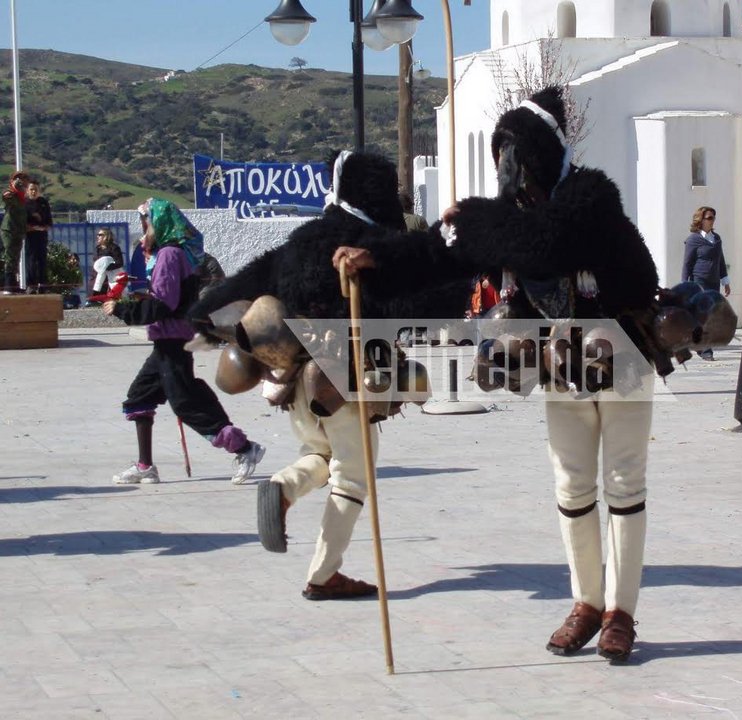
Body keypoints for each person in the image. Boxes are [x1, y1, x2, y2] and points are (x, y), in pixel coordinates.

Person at [335, 87, 665, 663]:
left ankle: (621, 612)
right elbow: (439, 256)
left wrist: (477, 219)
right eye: (503, 157)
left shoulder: (591, 194)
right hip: (563, 363)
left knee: (624, 481)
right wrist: (377, 261)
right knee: (571, 484)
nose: (511, 171)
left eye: (515, 156)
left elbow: (545, 245)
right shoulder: (504, 220)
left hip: (623, 355)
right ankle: (586, 604)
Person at [189, 151, 471, 601]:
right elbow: (415, 301)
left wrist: (201, 317)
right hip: (346, 378)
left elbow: (247, 281)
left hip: (293, 379)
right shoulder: (369, 249)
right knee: (354, 476)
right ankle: (323, 575)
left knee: (320, 452)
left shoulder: (304, 239)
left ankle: (283, 487)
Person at [103, 198, 265, 484]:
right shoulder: (174, 253)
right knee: (139, 397)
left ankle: (244, 448)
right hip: (166, 342)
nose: (144, 228)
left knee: (187, 403)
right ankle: (145, 466)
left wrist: (122, 310)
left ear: (160, 223)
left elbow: (163, 304)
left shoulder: (169, 255)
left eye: (147, 222)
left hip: (173, 341)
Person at [682, 206, 732, 361]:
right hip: (699, 280)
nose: (712, 220)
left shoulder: (716, 238)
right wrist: (684, 285)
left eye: (713, 217)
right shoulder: (693, 240)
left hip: (714, 281)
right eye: (709, 218)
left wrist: (725, 281)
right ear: (701, 220)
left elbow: (720, 260)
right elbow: (687, 264)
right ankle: (705, 349)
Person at [1, 171, 30, 295]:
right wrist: (15, 186)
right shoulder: (11, 194)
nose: (23, 183)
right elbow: (6, 197)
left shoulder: (22, 197)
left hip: (19, 231)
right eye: (21, 180)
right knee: (10, 256)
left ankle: (13, 285)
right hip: (9, 230)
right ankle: (8, 285)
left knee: (16, 258)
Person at [24, 180, 52, 293]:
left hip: (42, 235)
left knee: (42, 260)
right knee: (31, 260)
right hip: (30, 236)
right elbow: (23, 223)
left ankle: (43, 285)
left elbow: (49, 222)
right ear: (27, 190)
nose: (33, 192)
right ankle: (31, 285)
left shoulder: (43, 203)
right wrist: (33, 226)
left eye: (36, 189)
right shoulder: (24, 204)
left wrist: (43, 226)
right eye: (31, 189)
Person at [87, 227, 124, 305]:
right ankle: (93, 301)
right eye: (97, 235)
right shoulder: (97, 249)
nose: (98, 236)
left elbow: (119, 262)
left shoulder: (114, 248)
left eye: (100, 234)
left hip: (110, 274)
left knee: (110, 292)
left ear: (106, 236)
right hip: (97, 274)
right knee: (94, 287)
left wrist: (107, 267)